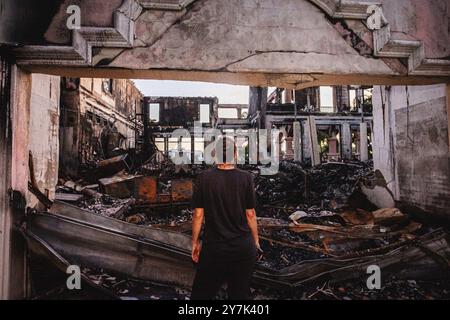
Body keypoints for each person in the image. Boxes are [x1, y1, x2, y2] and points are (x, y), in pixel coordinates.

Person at [190, 136, 260, 300]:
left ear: (214, 155)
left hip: (214, 249)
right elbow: (250, 214)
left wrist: (195, 243)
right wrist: (255, 241)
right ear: (235, 155)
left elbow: (199, 215)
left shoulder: (204, 178)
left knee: (201, 295)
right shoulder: (246, 178)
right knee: (239, 296)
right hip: (243, 248)